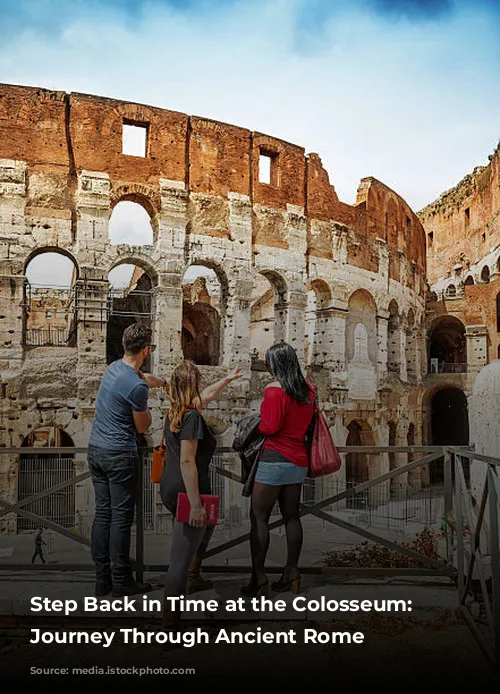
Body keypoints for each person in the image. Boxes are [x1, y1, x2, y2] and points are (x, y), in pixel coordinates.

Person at [160, 360, 243, 626]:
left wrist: (227, 379)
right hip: (186, 490)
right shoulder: (193, 417)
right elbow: (188, 461)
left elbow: (205, 397)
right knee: (180, 560)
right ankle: (170, 627)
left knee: (204, 529)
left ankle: (194, 577)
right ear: (193, 385)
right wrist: (195, 504)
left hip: (171, 485)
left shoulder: (176, 410)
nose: (203, 388)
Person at [88, 322, 168, 597]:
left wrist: (159, 382)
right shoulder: (136, 387)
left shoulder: (113, 369)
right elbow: (143, 426)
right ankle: (122, 579)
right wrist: (149, 406)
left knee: (103, 515)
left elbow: (139, 379)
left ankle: (102, 580)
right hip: (119, 454)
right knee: (121, 518)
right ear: (146, 349)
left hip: (95, 450)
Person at [241, 342, 315, 598]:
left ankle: (258, 578)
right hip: (298, 460)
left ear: (276, 365)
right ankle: (291, 572)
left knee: (259, 518)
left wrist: (254, 424)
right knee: (292, 517)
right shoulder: (308, 391)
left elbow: (270, 427)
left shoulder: (275, 390)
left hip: (274, 458)